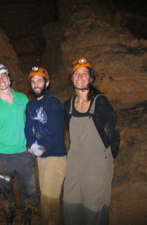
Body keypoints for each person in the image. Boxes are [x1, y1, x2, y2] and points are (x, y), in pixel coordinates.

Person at [63, 58, 120, 225]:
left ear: (91, 78)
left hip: (97, 164)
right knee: (71, 202)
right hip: (75, 162)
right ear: (71, 78)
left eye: (84, 74)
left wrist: (107, 161)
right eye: (76, 74)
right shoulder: (68, 106)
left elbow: (114, 134)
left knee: (94, 206)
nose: (80, 77)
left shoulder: (100, 102)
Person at [0, 64, 39, 225]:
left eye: (3, 76)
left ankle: (27, 218)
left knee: (30, 189)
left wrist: (34, 144)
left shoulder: (22, 98)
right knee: (5, 191)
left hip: (24, 154)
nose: (1, 80)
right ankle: (9, 217)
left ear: (9, 78)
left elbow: (30, 125)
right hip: (2, 157)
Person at [24, 67, 66, 224]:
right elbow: (28, 128)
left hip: (55, 156)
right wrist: (32, 145)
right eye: (33, 81)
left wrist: (41, 148)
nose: (36, 84)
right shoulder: (30, 105)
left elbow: (55, 131)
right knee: (46, 196)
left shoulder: (53, 102)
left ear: (47, 83)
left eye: (39, 81)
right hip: (41, 156)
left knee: (49, 199)